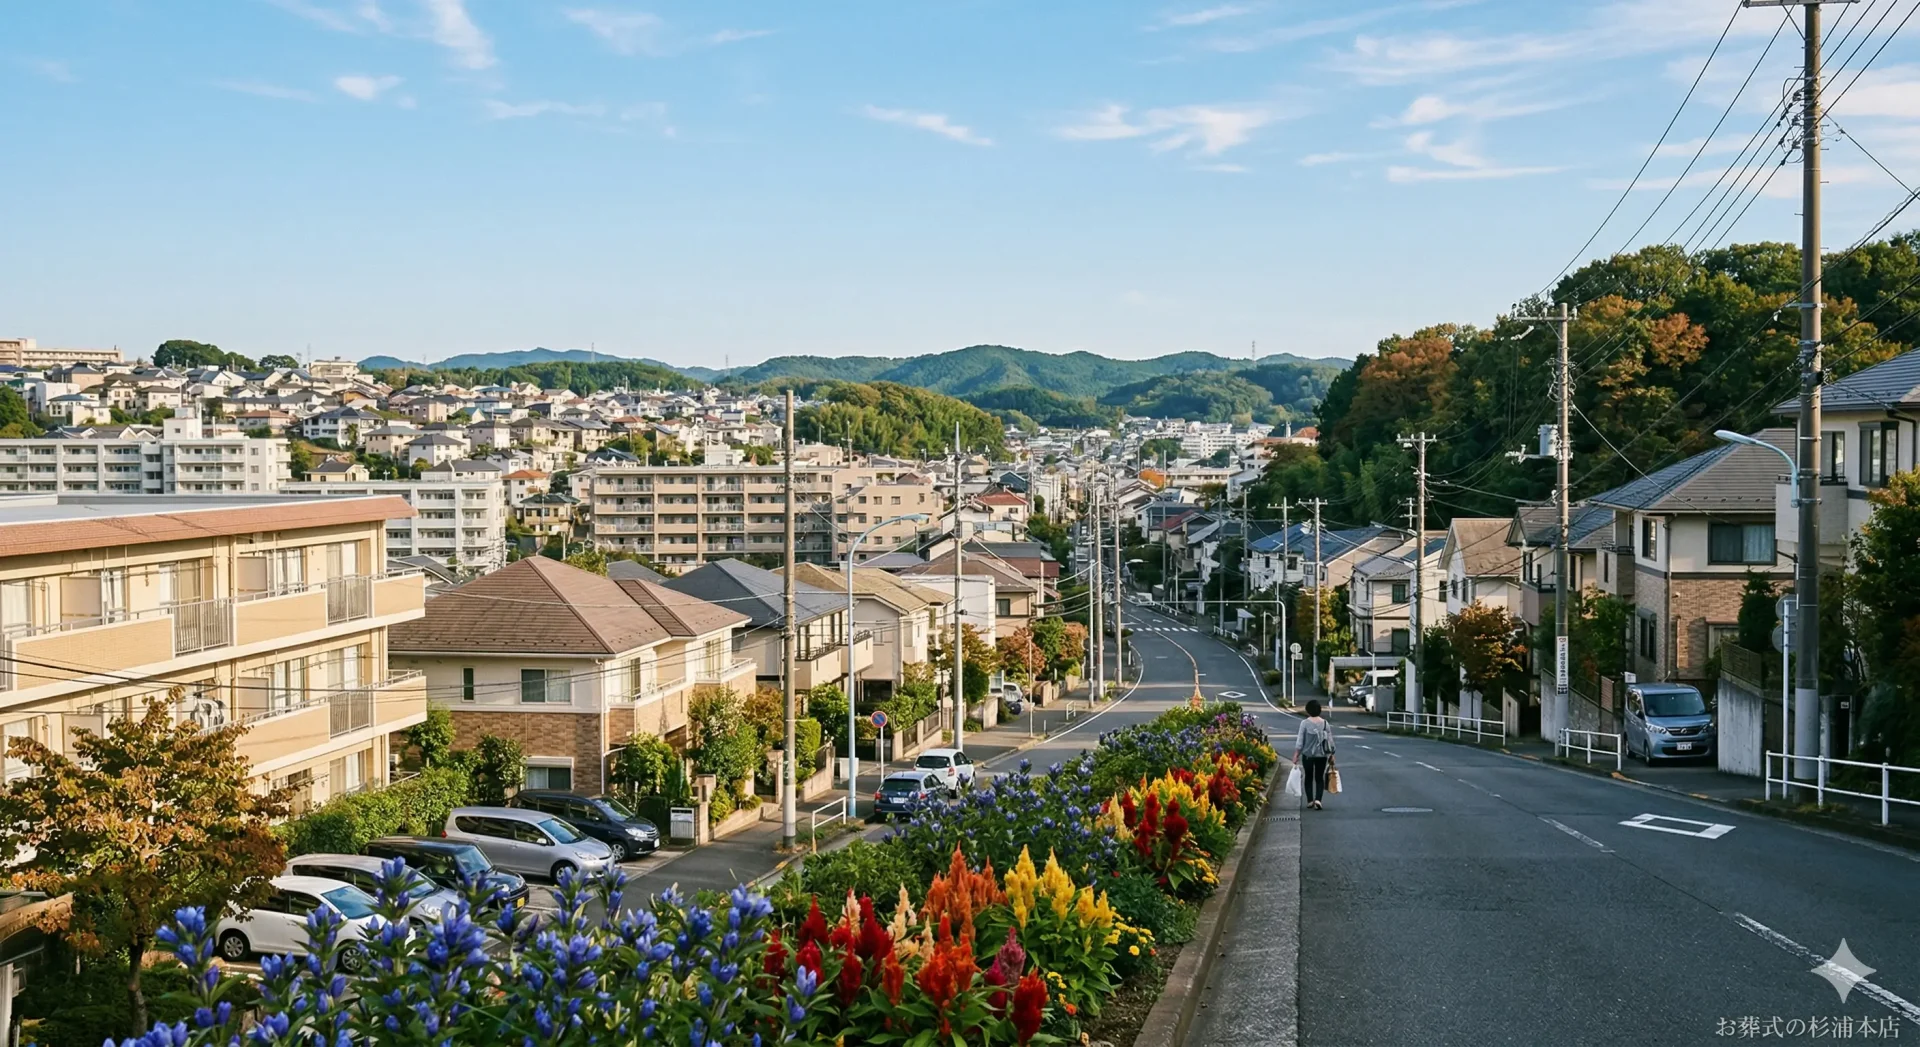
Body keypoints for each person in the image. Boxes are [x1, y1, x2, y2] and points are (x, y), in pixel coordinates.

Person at [1292, 699, 1335, 810]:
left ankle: (1310, 800)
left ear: (1308, 710)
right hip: (1322, 756)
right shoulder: (1325, 723)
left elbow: (1300, 741)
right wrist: (1332, 754)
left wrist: (1296, 755)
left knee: (1308, 777)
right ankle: (1318, 800)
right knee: (1319, 778)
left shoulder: (1304, 723)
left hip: (1308, 756)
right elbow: (1330, 741)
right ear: (1319, 710)